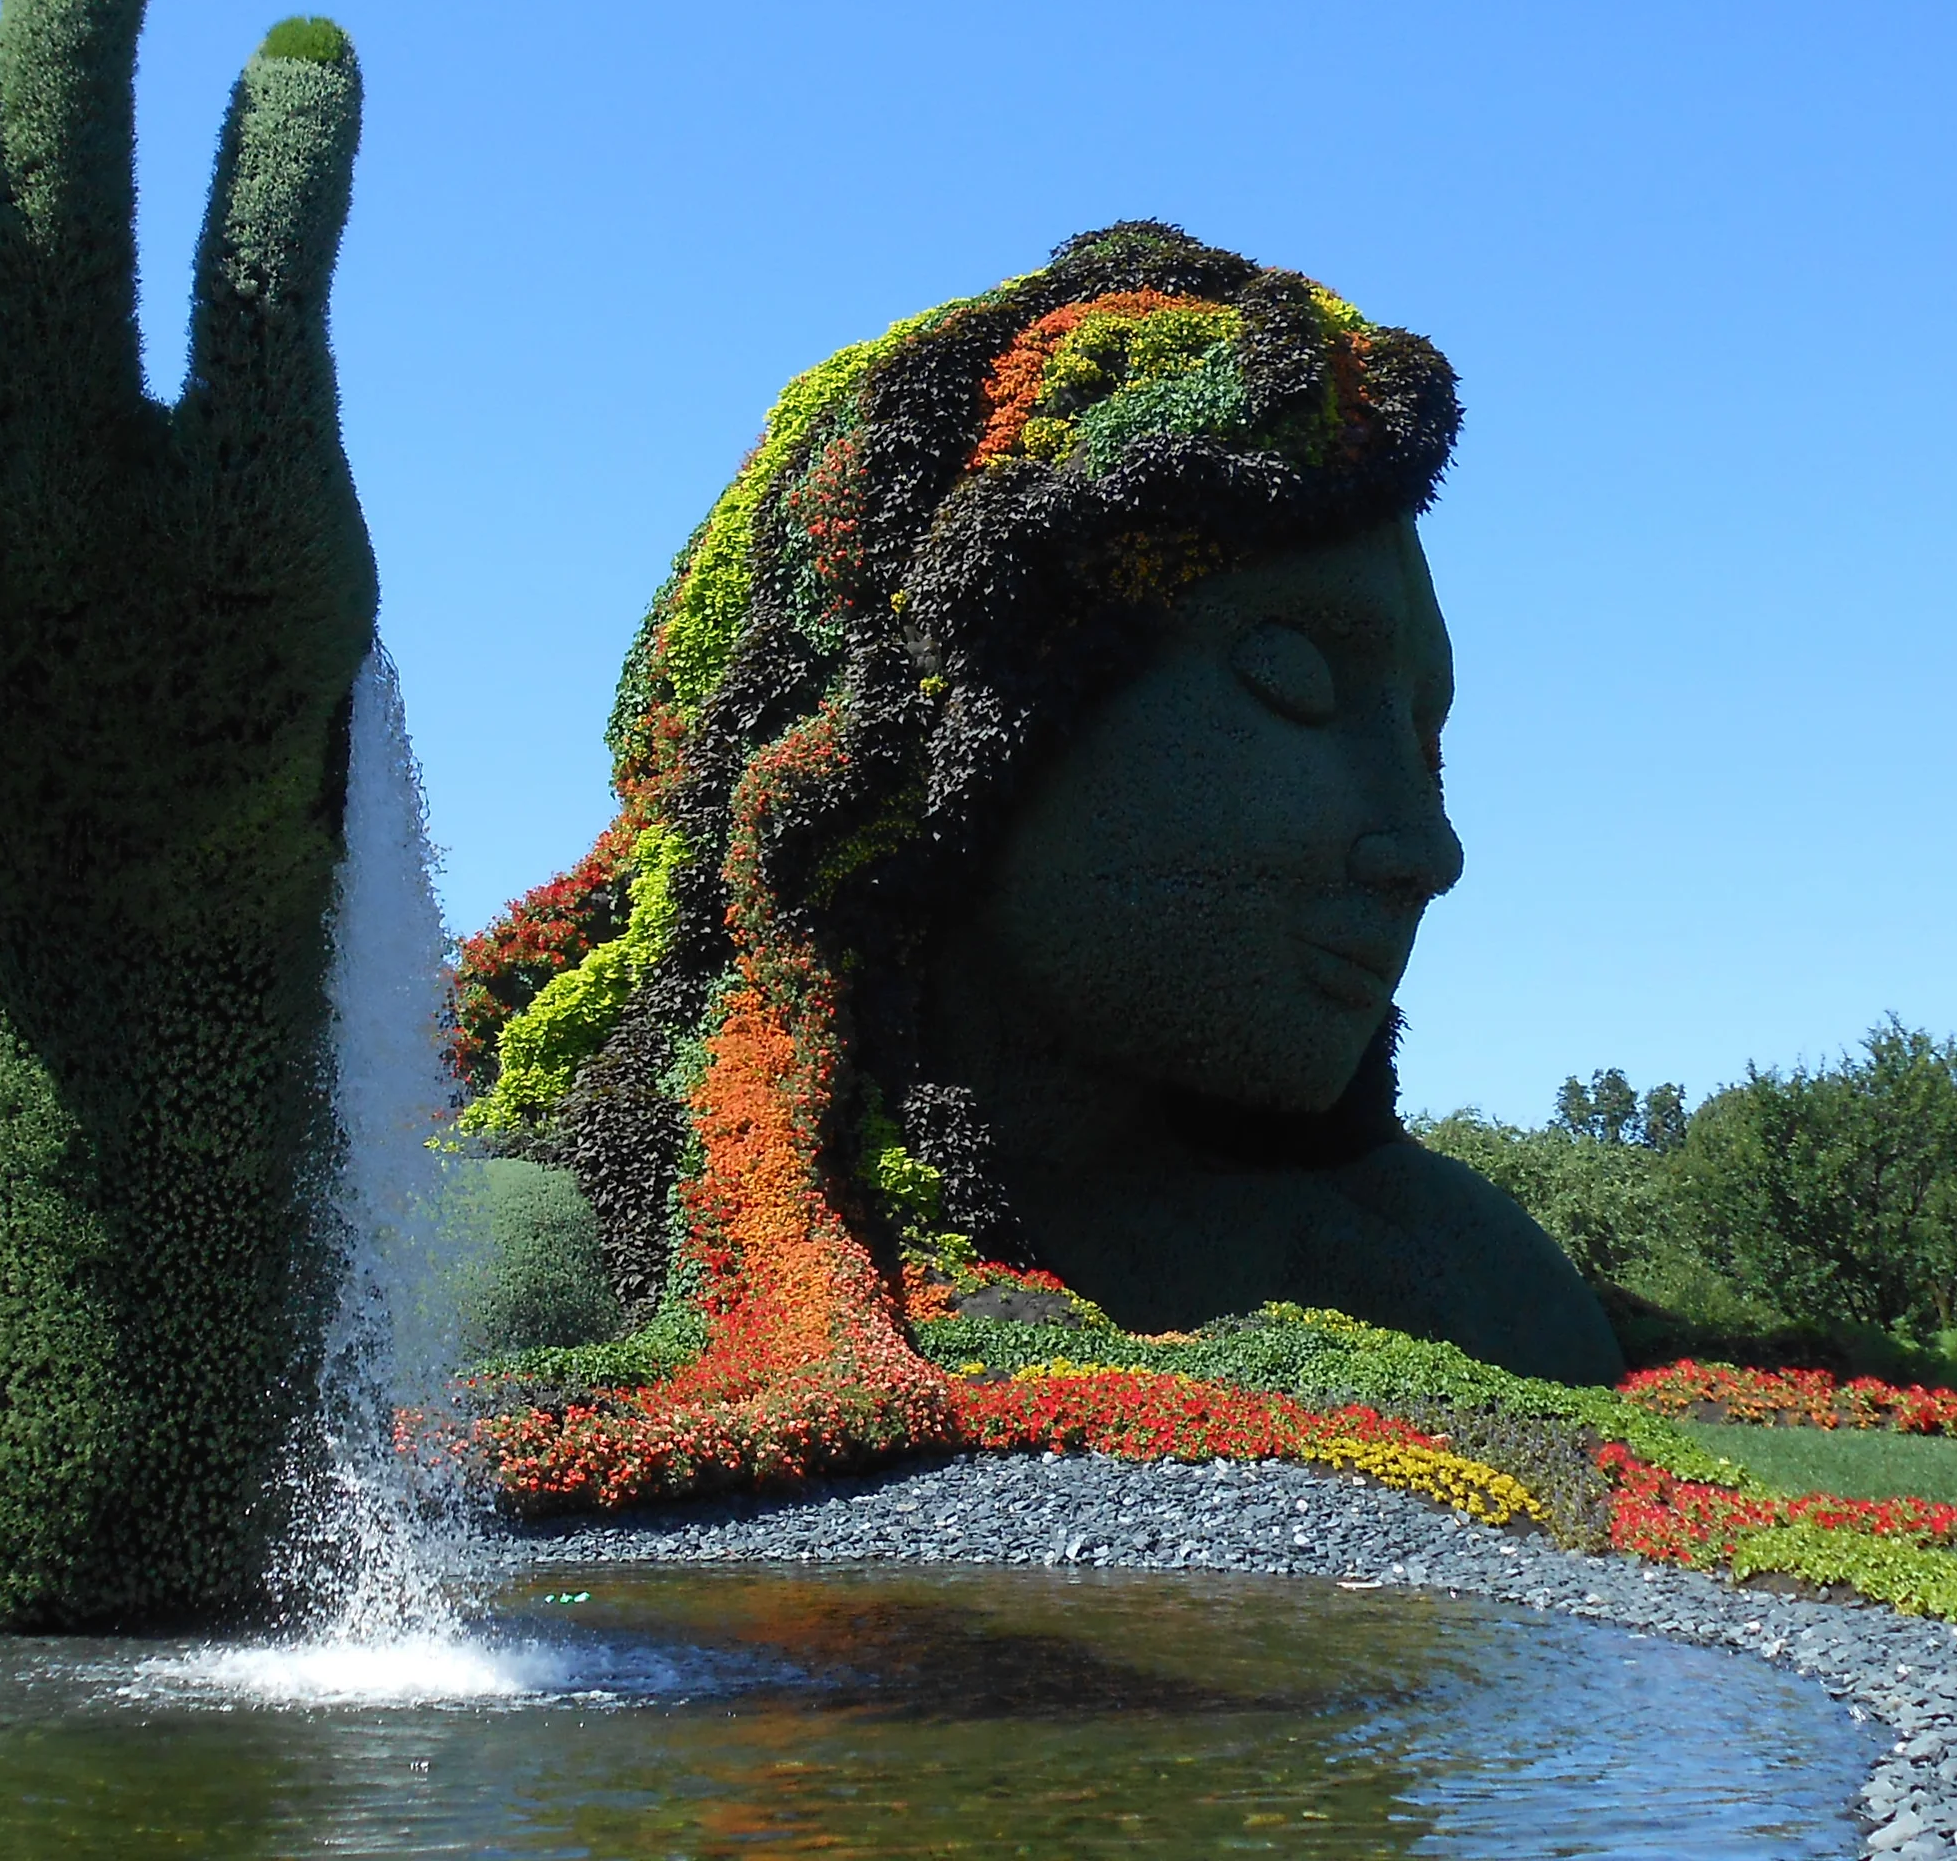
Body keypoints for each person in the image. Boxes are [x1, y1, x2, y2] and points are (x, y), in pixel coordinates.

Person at [451, 222, 1620, 1387]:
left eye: (1425, 740)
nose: (1426, 847)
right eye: (1293, 679)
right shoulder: (516, 1278)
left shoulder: (1465, 1289)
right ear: (931, 723)